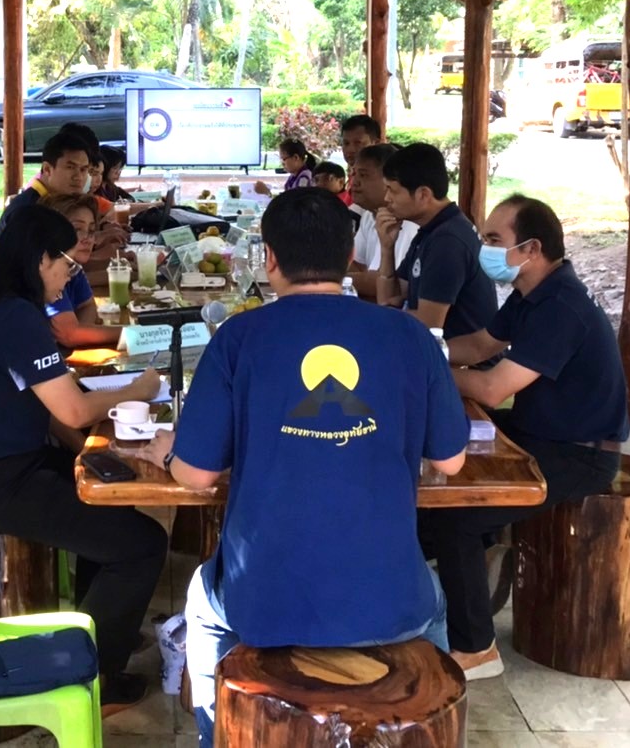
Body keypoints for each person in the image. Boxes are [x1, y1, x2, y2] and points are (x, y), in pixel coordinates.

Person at [136, 188, 469, 746]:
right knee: (432, 600)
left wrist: (166, 451)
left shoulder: (239, 336)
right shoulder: (409, 334)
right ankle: (425, 725)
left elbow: (194, 474)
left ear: (269, 258)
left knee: (201, 599)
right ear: (349, 256)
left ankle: (218, 734)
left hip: (261, 601)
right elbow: (451, 460)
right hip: (391, 595)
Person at [0, 205, 169, 710]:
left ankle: (102, 628)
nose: (70, 275)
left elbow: (51, 402)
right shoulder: (16, 315)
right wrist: (137, 391)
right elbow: (73, 409)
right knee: (144, 545)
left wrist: (89, 452)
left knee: (109, 502)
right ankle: (95, 678)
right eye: (68, 264)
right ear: (41, 259)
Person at [420, 194, 629, 680]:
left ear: (532, 248)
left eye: (494, 239)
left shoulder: (561, 306)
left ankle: (476, 649)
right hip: (539, 431)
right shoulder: (531, 293)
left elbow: (493, 388)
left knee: (458, 515)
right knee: (438, 469)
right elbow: (480, 345)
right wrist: (424, 351)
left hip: (578, 453)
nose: (485, 249)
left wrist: (428, 372)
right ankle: (461, 582)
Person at [375, 144, 498, 346]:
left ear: (423, 194)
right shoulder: (430, 229)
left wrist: (391, 312)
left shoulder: (448, 240)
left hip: (460, 359)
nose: (386, 198)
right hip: (431, 349)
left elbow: (429, 324)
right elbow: (389, 298)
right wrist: (387, 247)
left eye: (392, 190)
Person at [41, 194, 121, 349]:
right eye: (77, 229)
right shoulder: (47, 272)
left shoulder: (74, 267)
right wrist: (136, 333)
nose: (88, 238)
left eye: (91, 230)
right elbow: (69, 335)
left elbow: (88, 306)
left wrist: (82, 333)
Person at [345, 144, 416, 300]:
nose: (354, 182)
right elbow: (355, 264)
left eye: (363, 175)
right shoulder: (369, 215)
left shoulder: (406, 223)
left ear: (389, 180)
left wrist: (333, 280)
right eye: (353, 174)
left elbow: (380, 284)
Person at [338, 115, 382, 207]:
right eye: (346, 143)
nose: (350, 149)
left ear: (376, 143)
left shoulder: (382, 180)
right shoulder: (352, 177)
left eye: (358, 143)